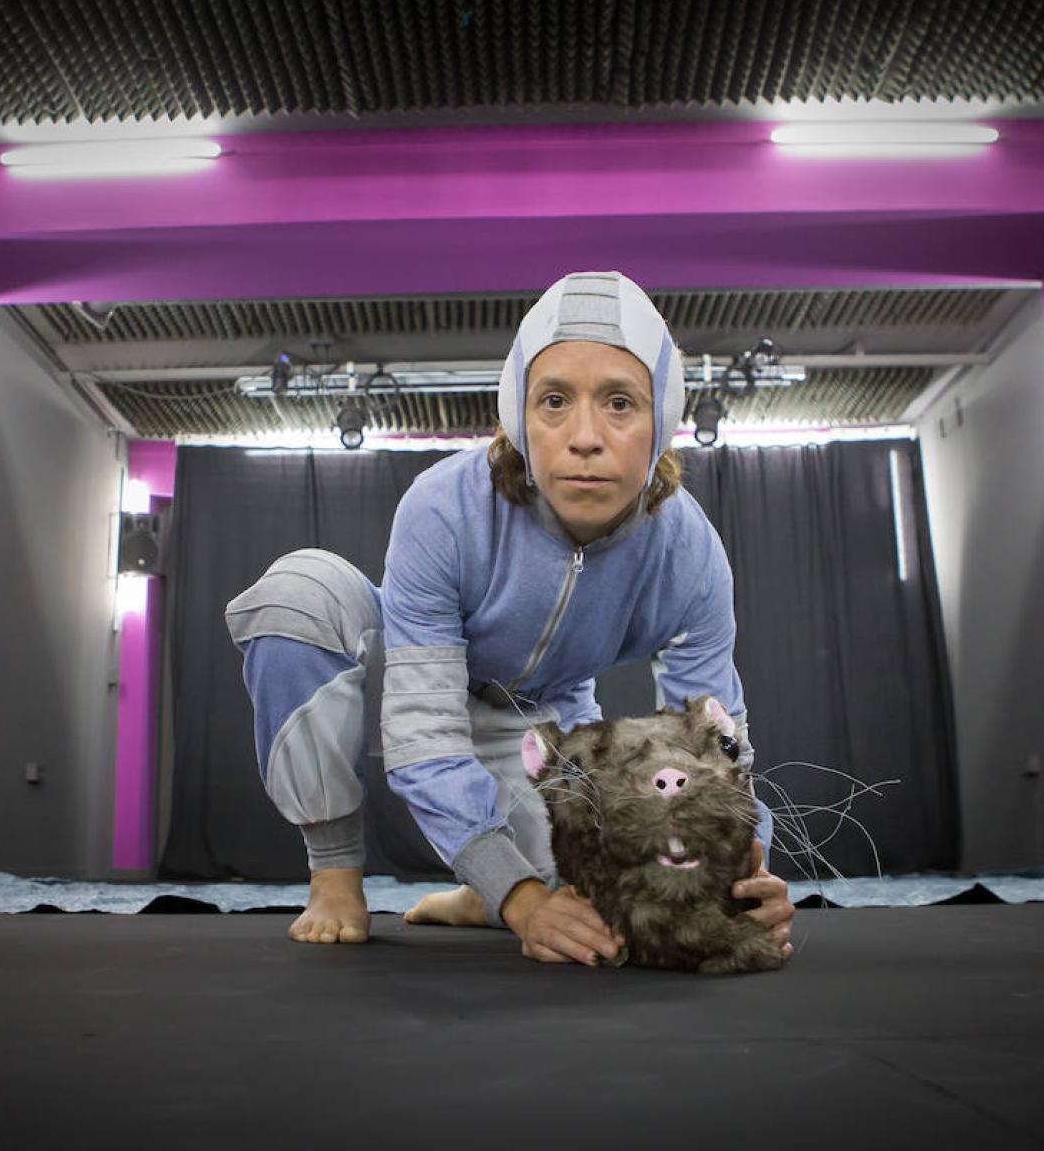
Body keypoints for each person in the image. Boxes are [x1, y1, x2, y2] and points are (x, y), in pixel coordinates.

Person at [225, 270, 795, 966]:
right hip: (399, 680)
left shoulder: (689, 551)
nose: (585, 437)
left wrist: (744, 868)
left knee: (604, 910)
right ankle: (334, 874)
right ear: (519, 413)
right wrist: (522, 901)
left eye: (620, 402)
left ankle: (475, 898)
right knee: (301, 593)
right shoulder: (443, 506)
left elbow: (715, 742)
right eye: (554, 400)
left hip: (534, 728)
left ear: (663, 419)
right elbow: (424, 726)